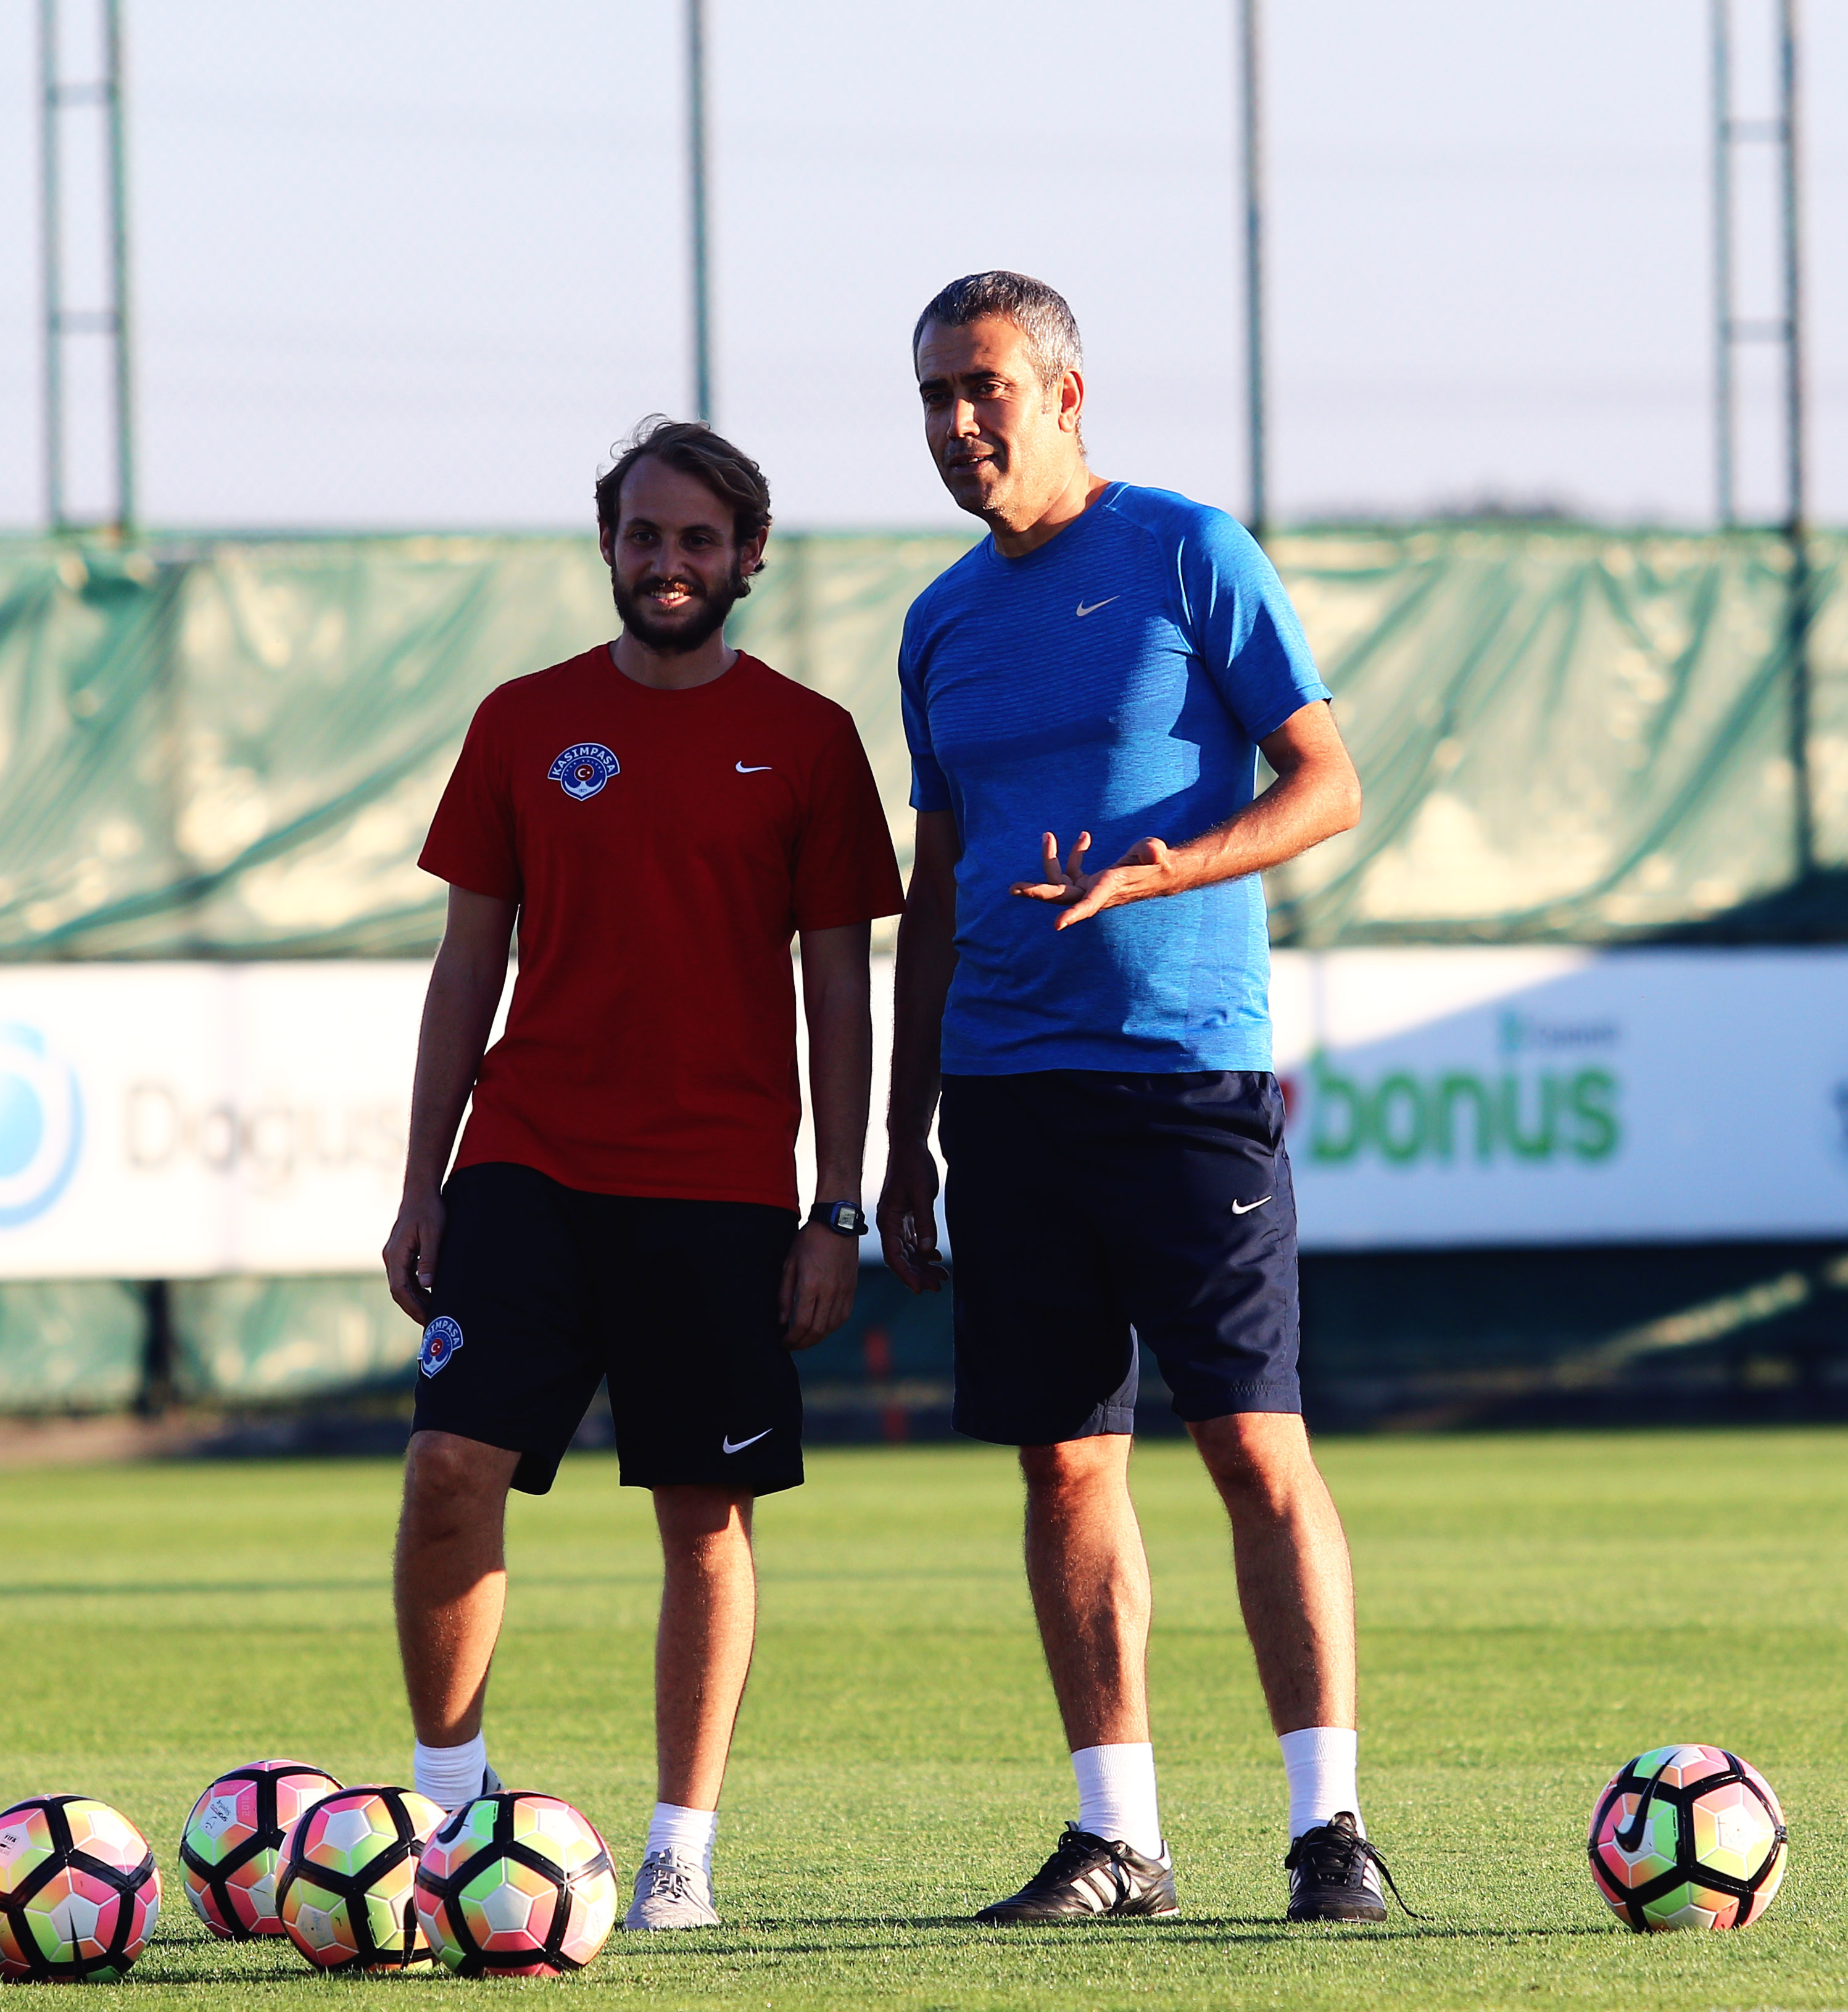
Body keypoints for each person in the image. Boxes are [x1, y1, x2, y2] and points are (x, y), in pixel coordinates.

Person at [876, 271, 1400, 1924]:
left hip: (1183, 1078)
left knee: (1253, 1442)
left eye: (983, 386)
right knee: (1063, 1464)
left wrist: (1177, 862)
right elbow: (935, 888)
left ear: (1064, 392)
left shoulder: (1187, 549)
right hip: (1002, 1092)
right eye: (933, 395)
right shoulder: (937, 621)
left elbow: (1327, 782)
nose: (958, 422)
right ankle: (1121, 1838)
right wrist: (902, 1136)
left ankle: (1329, 1828)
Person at [382, 418, 904, 1931]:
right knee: (446, 1470)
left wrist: (836, 1207)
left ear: (749, 556)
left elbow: (839, 993)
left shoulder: (808, 738)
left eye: (696, 540)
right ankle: (446, 1806)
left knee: (703, 1514)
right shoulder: (522, 720)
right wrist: (422, 1181)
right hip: (527, 1160)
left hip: (719, 1187)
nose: (667, 563)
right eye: (642, 536)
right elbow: (466, 964)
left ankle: (681, 1847)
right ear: (606, 547)